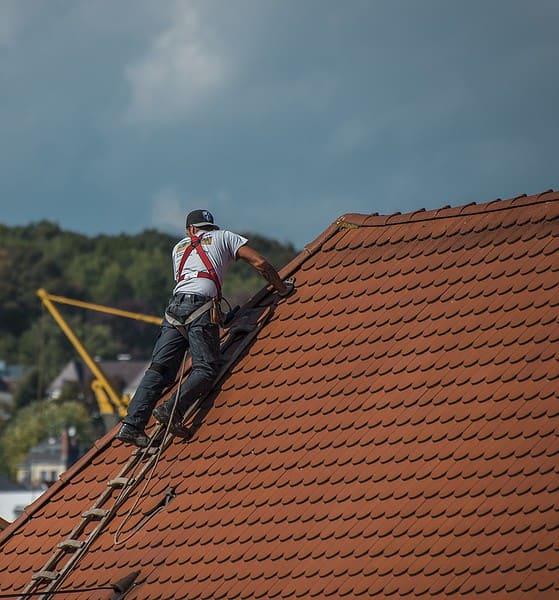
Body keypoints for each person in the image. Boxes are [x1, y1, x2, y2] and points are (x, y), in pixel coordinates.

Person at [116, 209, 294, 447]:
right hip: (200, 306)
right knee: (207, 368)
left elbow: (190, 280)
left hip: (174, 310)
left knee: (159, 370)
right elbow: (260, 263)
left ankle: (131, 425)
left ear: (190, 230)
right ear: (209, 227)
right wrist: (282, 289)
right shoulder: (224, 237)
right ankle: (171, 409)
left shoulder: (178, 248)